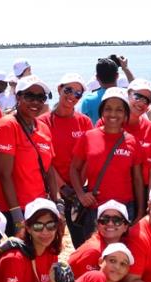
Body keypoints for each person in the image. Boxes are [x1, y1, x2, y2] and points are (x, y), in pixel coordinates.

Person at [70, 87, 145, 240]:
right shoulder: (88, 137)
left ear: (125, 114)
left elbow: (137, 179)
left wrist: (140, 212)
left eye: (119, 110)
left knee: (121, 255)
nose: (113, 114)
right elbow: (74, 169)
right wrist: (81, 194)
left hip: (125, 209)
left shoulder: (132, 141)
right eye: (108, 109)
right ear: (101, 111)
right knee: (95, 253)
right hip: (95, 209)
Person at [0, 75, 56, 235]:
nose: (36, 102)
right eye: (29, 96)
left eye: (41, 98)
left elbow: (49, 170)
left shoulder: (43, 127)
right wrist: (17, 216)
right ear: (18, 97)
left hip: (38, 207)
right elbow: (4, 174)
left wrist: (56, 203)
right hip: (12, 210)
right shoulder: (7, 126)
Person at [42, 73, 94, 247]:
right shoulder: (43, 122)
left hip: (78, 190)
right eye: (68, 90)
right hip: (53, 191)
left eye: (78, 93)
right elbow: (45, 160)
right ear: (59, 89)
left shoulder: (85, 122)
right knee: (52, 240)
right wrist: (63, 188)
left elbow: (89, 157)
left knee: (82, 241)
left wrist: (77, 188)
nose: (72, 96)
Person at [69, 199, 130, 278]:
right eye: (105, 220)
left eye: (116, 220)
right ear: (98, 225)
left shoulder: (124, 245)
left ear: (125, 227)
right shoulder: (93, 251)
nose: (110, 223)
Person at [118, 79, 151, 184]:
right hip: (117, 190)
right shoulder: (109, 123)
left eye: (147, 100)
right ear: (128, 94)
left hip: (144, 189)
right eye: (138, 97)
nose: (141, 103)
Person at [80, 56, 134, 124]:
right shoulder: (127, 96)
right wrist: (125, 68)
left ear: (97, 78)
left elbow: (83, 125)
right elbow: (136, 88)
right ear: (117, 76)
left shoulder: (88, 100)